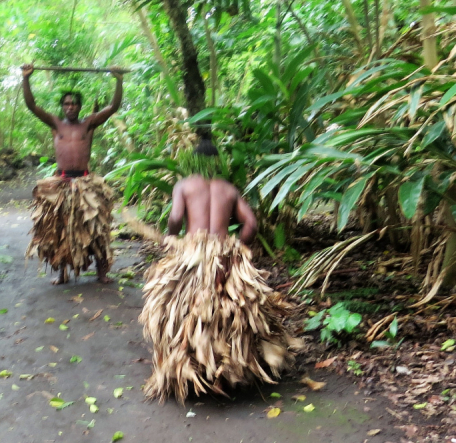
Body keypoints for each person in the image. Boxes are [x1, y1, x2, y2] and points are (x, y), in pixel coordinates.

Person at [139, 138, 299, 404]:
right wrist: (237, 247)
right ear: (217, 163)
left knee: (181, 312)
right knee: (231, 312)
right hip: (225, 253)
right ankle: (226, 374)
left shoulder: (184, 185)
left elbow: (176, 217)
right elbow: (251, 224)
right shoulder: (229, 189)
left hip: (193, 253)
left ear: (193, 162)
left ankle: (193, 373)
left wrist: (173, 239)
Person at [21, 64, 123, 284]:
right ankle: (62, 273)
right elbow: (31, 105)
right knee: (60, 230)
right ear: (62, 106)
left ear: (80, 107)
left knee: (96, 228)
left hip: (86, 183)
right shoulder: (55, 124)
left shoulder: (88, 124)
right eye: (67, 103)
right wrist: (26, 78)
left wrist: (118, 80)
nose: (71, 107)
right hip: (62, 183)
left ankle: (102, 272)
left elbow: (114, 106)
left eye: (74, 103)